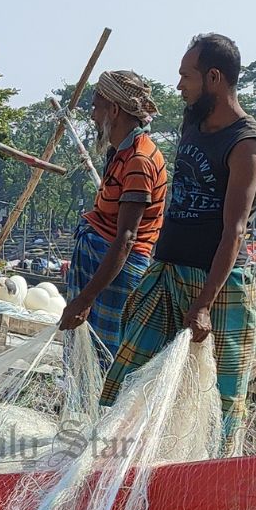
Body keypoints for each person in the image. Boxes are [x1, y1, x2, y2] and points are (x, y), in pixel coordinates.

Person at [100, 34, 256, 453]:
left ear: (213, 78)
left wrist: (202, 305)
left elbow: (233, 231)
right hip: (166, 273)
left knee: (220, 400)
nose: (179, 85)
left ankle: (210, 481)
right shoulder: (192, 123)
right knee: (128, 376)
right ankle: (114, 465)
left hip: (218, 287)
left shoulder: (248, 143)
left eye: (186, 76)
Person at [57, 71, 170, 363]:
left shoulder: (139, 160)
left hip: (115, 280)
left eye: (96, 107)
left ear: (114, 110)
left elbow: (127, 238)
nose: (93, 116)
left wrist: (85, 300)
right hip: (102, 275)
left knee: (105, 361)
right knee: (84, 361)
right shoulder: (120, 152)